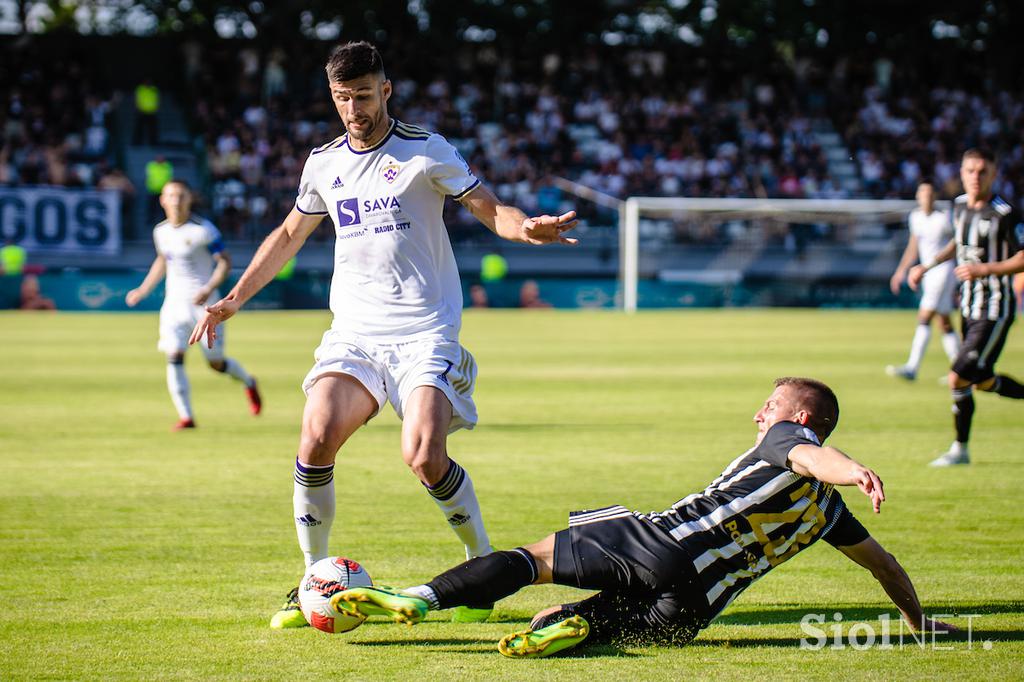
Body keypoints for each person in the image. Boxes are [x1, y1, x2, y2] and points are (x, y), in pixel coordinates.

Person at [188, 41, 578, 630]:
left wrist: (526, 229)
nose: (353, 109)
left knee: (423, 454)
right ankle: (313, 579)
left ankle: (481, 572)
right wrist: (232, 300)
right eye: (342, 98)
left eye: (363, 96)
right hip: (356, 334)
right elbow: (290, 233)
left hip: (425, 331)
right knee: (315, 436)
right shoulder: (323, 162)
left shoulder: (426, 150)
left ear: (386, 90)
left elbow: (485, 206)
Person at [335, 377, 956, 658]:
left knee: (531, 561)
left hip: (660, 541)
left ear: (798, 418)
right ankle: (576, 626)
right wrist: (919, 622)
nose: (759, 417)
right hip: (695, 609)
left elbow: (809, 455)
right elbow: (886, 567)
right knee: (583, 620)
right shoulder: (828, 515)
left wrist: (853, 468)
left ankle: (422, 598)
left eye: (769, 407)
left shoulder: (791, 442)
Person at [909, 149, 1024, 466]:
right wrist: (927, 265)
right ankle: (961, 448)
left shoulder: (1004, 213)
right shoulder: (958, 206)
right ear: (962, 173)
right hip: (969, 307)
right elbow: (957, 244)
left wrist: (984, 269)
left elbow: (1023, 256)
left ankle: (960, 450)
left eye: (982, 171)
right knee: (982, 380)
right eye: (970, 171)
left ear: (994, 174)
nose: (976, 177)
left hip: (995, 308)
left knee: (958, 377)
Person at [127, 180, 261, 431]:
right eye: (171, 196)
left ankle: (248, 381)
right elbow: (162, 261)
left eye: (181, 195)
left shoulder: (204, 230)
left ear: (189, 199)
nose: (176, 200)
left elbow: (224, 262)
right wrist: (143, 290)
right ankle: (186, 417)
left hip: (205, 306)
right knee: (174, 356)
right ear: (162, 200)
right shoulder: (161, 231)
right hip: (174, 305)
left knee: (216, 363)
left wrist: (208, 288)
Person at [886, 182, 960, 380]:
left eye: (929, 192)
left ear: (934, 196)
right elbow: (913, 247)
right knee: (944, 322)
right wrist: (900, 271)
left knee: (924, 316)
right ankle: (961, 369)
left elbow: (958, 242)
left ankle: (912, 367)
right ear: (918, 196)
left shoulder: (943, 218)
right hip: (926, 273)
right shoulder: (916, 217)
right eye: (923, 192)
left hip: (943, 270)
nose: (926, 196)